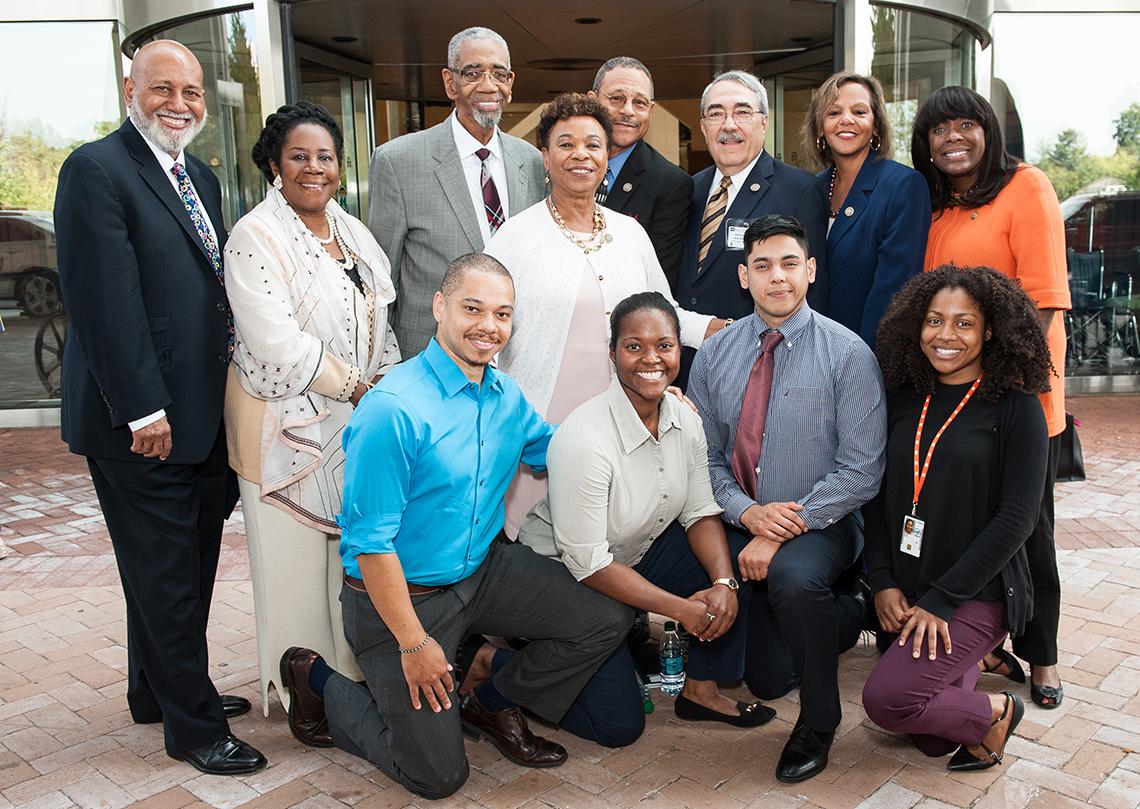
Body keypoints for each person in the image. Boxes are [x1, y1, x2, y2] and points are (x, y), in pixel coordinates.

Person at [278, 254, 634, 799]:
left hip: (482, 572)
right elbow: (370, 546)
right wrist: (413, 643)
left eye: (502, 314)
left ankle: (487, 702)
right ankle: (318, 681)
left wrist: (644, 410)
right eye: (473, 308)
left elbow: (561, 448)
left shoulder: (505, 395)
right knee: (437, 777)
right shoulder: (392, 409)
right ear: (439, 306)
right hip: (400, 601)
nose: (488, 326)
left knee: (605, 618)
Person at [53, 40, 265, 775]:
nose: (180, 103)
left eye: (193, 91)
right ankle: (195, 726)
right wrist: (143, 408)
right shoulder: (96, 169)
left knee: (182, 564)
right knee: (169, 571)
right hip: (141, 421)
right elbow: (103, 300)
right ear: (130, 89)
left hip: (200, 413)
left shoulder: (198, 174)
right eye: (163, 89)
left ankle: (160, 689)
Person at [518, 291, 775, 729]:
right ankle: (499, 663)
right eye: (634, 346)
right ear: (613, 352)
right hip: (562, 572)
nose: (650, 358)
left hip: (633, 553)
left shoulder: (684, 418)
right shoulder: (584, 438)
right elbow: (590, 563)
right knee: (619, 726)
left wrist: (724, 583)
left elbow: (699, 511)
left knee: (736, 556)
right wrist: (681, 609)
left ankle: (701, 691)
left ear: (679, 349)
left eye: (664, 345)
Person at [688, 214, 886, 783]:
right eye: (764, 266)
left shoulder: (848, 354)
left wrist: (779, 529)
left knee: (795, 580)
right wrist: (748, 514)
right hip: (742, 511)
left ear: (811, 271)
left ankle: (819, 721)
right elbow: (706, 459)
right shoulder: (716, 355)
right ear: (743, 276)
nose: (778, 277)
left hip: (825, 519)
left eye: (790, 263)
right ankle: (850, 615)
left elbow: (861, 472)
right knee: (771, 678)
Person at [222, 101, 401, 723]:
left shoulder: (352, 230)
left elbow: (383, 312)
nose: (313, 168)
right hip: (284, 428)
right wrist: (356, 385)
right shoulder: (254, 236)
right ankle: (304, 690)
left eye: (325, 157)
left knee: (345, 563)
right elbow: (274, 343)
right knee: (295, 568)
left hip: (354, 421)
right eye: (298, 156)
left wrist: (387, 380)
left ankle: (346, 682)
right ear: (274, 164)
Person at [485, 92, 722, 536]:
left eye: (593, 145)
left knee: (616, 539)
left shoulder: (630, 233)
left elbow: (664, 311)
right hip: (540, 433)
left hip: (624, 421)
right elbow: (486, 334)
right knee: (548, 549)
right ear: (545, 156)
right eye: (566, 143)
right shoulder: (514, 238)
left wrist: (722, 330)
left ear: (607, 156)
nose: (581, 155)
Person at [912, 86, 1071, 709]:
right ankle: (989, 640)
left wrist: (994, 380)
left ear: (988, 131)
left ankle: (1045, 658)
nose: (952, 138)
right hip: (949, 400)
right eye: (938, 130)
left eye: (965, 125)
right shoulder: (935, 205)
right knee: (961, 525)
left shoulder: (1025, 187)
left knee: (1029, 531)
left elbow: (1043, 299)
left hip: (1015, 397)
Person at [861, 265, 1051, 771]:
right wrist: (881, 581)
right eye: (933, 320)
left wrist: (943, 601)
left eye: (964, 323)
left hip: (975, 592)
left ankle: (997, 710)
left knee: (889, 703)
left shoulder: (1017, 407)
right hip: (909, 588)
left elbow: (1017, 519)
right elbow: (876, 499)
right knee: (931, 738)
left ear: (990, 330)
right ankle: (960, 674)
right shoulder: (904, 395)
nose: (945, 336)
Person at [369, 26, 545, 357]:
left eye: (499, 74)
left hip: (514, 359)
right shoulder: (398, 161)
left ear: (511, 83)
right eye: (473, 73)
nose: (488, 85)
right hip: (430, 358)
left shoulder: (533, 162)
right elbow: (381, 283)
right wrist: (384, 366)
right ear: (451, 83)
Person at [676, 70, 828, 386]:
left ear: (764, 122)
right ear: (704, 127)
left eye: (742, 112)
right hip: (689, 368)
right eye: (716, 114)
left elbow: (814, 290)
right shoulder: (688, 190)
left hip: (764, 369)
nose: (729, 125)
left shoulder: (799, 191)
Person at [802, 71, 929, 348]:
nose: (846, 120)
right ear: (820, 127)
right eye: (833, 112)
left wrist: (860, 365)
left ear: (876, 126)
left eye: (859, 111)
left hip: (869, 356)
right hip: (811, 353)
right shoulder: (813, 189)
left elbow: (894, 293)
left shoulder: (904, 186)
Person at [588, 57, 694, 289]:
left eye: (640, 103)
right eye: (616, 99)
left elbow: (656, 279)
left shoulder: (670, 184)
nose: (628, 111)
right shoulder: (564, 167)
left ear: (651, 111)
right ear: (592, 100)